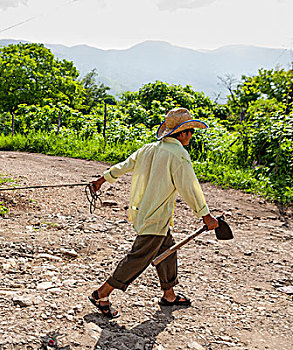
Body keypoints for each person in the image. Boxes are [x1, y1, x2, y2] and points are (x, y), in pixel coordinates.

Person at [88, 107, 219, 318]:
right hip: (155, 216)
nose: (191, 136)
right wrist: (205, 216)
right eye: (190, 131)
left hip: (146, 213)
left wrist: (101, 180)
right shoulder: (178, 155)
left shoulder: (149, 148)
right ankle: (101, 294)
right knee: (138, 258)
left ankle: (169, 294)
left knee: (167, 248)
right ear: (183, 133)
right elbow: (190, 188)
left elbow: (124, 165)